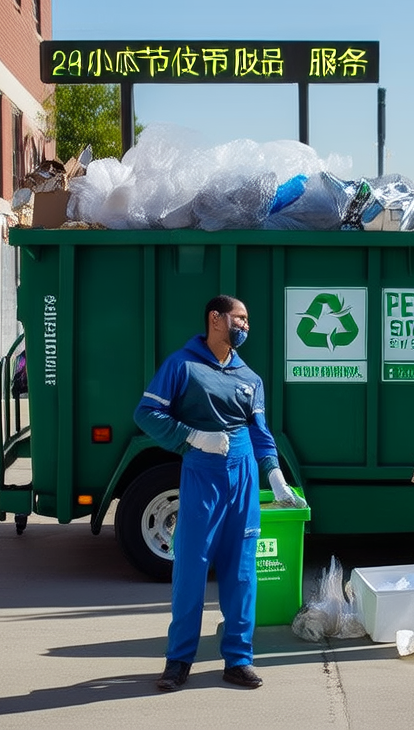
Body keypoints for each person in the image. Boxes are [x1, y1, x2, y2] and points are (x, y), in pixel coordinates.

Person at [134, 294, 304, 692]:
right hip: (202, 475)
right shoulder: (183, 365)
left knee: (242, 572)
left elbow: (261, 433)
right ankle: (178, 661)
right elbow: (146, 413)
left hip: (243, 477)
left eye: (247, 321)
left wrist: (275, 476)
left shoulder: (250, 378)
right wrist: (191, 436)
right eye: (240, 318)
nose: (245, 327)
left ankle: (238, 659)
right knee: (191, 569)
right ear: (216, 318)